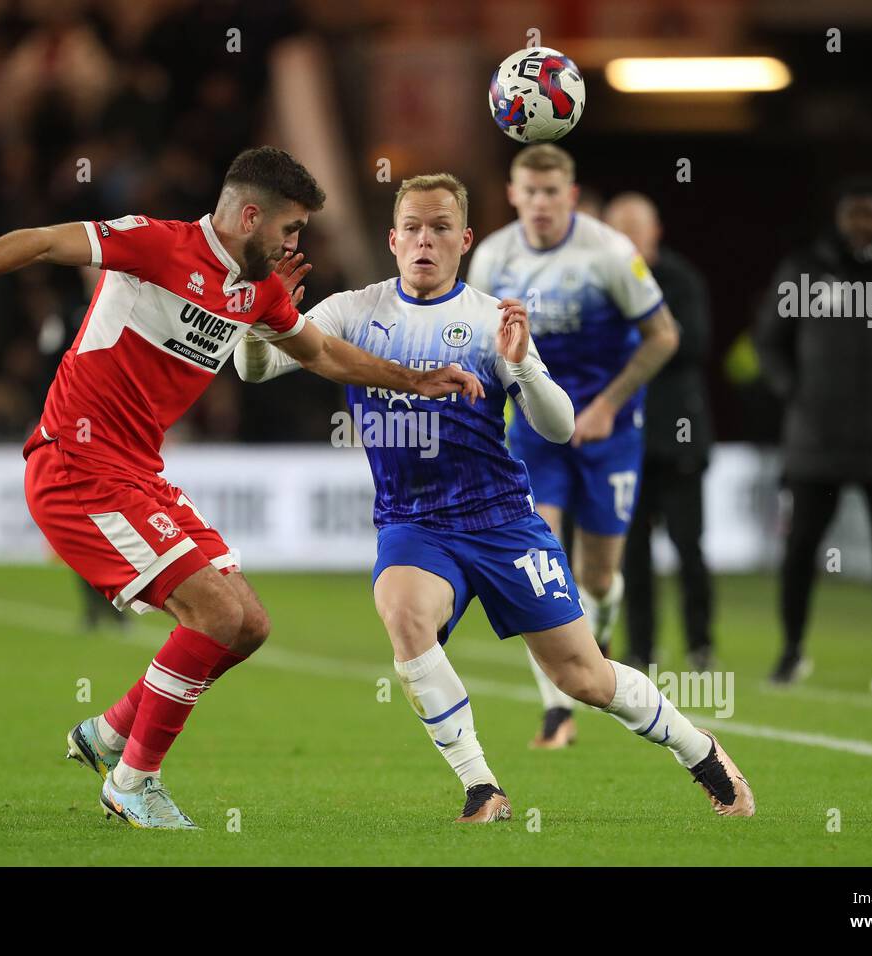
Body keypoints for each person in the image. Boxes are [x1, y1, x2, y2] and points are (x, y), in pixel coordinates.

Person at [0, 146, 484, 829]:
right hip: (75, 468)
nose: (296, 246)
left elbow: (319, 352)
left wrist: (414, 378)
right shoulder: (156, 244)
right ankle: (133, 781)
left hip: (138, 475)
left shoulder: (257, 289)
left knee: (250, 625)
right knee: (214, 617)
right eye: (289, 230)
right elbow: (46, 241)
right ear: (251, 215)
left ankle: (111, 732)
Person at [235, 173, 754, 822]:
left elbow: (559, 427)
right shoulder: (350, 313)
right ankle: (483, 787)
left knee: (584, 678)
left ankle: (699, 750)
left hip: (503, 522)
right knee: (403, 612)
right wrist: (266, 315)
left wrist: (526, 364)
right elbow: (252, 368)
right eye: (414, 229)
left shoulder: (489, 320)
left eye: (441, 228)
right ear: (393, 240)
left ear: (465, 240)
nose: (426, 239)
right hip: (414, 524)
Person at [466, 145, 681, 749]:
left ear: (572, 195)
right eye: (528, 192)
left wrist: (609, 404)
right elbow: (480, 344)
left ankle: (601, 630)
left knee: (599, 574)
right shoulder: (492, 258)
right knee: (542, 565)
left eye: (551, 192)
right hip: (536, 435)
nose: (539, 204)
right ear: (512, 194)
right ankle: (557, 712)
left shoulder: (610, 253)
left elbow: (664, 336)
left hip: (609, 437)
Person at [756, 176, 872, 695]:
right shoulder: (803, 273)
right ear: (838, 220)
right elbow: (768, 340)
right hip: (815, 442)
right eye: (852, 214)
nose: (861, 225)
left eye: (871, 214)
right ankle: (791, 653)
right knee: (800, 550)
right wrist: (793, 390)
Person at [603, 192, 716, 672]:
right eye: (619, 230)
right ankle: (642, 649)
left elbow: (692, 343)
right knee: (633, 556)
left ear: (656, 233)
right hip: (624, 443)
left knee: (689, 546)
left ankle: (700, 645)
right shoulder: (598, 284)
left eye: (636, 230)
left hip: (678, 439)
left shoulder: (680, 280)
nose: (628, 239)